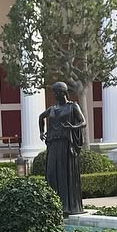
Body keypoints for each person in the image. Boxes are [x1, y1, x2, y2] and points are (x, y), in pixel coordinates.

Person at [39, 81, 86, 216]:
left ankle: (68, 205)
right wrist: (41, 132)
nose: (55, 94)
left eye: (58, 92)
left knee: (65, 174)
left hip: (66, 145)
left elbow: (83, 122)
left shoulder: (73, 107)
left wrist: (73, 127)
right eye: (54, 92)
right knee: (52, 173)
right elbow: (41, 117)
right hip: (53, 144)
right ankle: (53, 204)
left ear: (65, 93)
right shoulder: (52, 109)